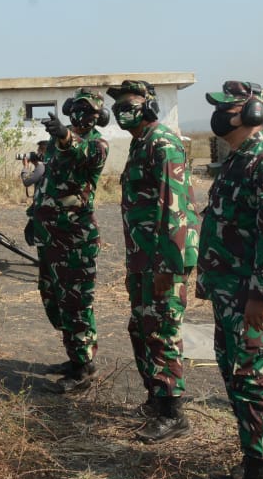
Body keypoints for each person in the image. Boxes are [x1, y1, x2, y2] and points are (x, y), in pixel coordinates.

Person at [197, 81, 263, 479]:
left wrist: (262, 295)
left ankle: (261, 475)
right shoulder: (237, 160)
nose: (220, 116)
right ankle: (251, 459)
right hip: (230, 294)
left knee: (254, 382)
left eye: (228, 109)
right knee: (237, 377)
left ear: (252, 112)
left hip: (252, 298)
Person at [110, 79, 199, 443]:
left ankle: (172, 413)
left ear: (148, 107)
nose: (122, 111)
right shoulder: (141, 144)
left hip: (162, 262)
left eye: (130, 103)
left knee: (161, 331)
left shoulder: (162, 144)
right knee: (142, 328)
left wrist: (169, 268)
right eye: (118, 106)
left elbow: (175, 210)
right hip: (143, 259)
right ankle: (157, 396)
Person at [27, 90, 110, 393]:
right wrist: (33, 216)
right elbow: (48, 181)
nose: (82, 114)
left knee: (76, 304)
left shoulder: (97, 143)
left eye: (89, 110)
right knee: (54, 300)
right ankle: (75, 358)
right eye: (78, 108)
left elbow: (82, 154)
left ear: (98, 115)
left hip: (75, 239)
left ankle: (84, 368)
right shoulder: (53, 145)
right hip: (50, 236)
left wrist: (64, 136)